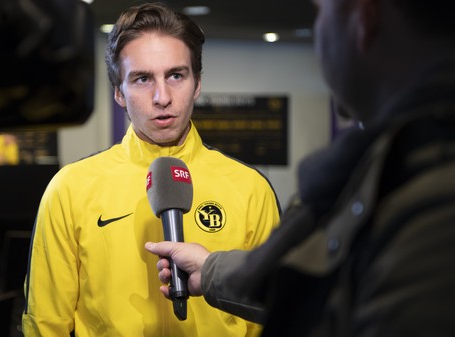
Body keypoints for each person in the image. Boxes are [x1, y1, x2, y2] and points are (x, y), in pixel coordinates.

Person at [146, 0, 455, 335]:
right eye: (143, 79)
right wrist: (209, 270)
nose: (161, 97)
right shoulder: (388, 167)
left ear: (365, 19)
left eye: (321, 11)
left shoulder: (429, 193)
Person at [21, 2, 281, 337]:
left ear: (197, 83)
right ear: (119, 92)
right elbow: (45, 324)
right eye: (142, 79)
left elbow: (275, 315)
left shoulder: (250, 188)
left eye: (176, 75)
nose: (162, 96)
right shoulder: (70, 188)